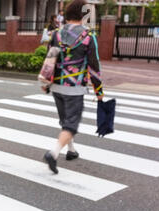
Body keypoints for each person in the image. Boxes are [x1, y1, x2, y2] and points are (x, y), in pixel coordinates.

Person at [43, 0, 104, 174]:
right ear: (84, 15)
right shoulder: (88, 36)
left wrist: (46, 84)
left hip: (56, 86)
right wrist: (99, 91)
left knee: (65, 121)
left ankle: (71, 150)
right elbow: (94, 66)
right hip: (75, 88)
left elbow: (50, 59)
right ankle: (53, 153)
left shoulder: (56, 34)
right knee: (71, 124)